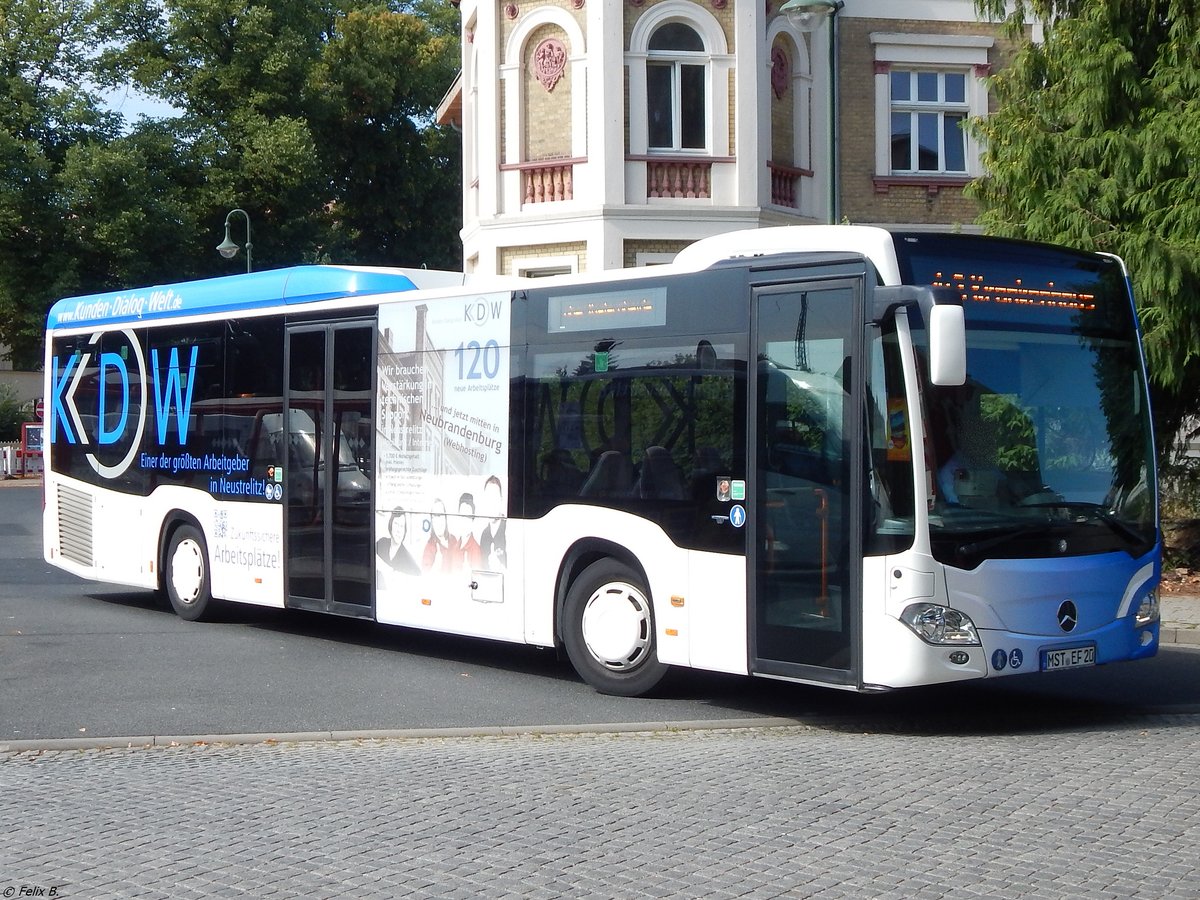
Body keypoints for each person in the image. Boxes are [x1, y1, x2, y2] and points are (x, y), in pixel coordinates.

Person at [377, 506, 420, 576]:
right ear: (391, 524)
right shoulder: (381, 543)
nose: (399, 530)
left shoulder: (409, 561)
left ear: (404, 530)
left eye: (402, 526)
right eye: (396, 524)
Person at [421, 498, 457, 573]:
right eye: (434, 516)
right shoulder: (429, 548)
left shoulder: (453, 540)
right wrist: (435, 567)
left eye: (441, 515)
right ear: (432, 521)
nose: (438, 521)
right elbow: (425, 576)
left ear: (445, 517)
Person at [480, 475, 507, 569]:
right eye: (488, 498)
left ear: (501, 500)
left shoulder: (510, 531)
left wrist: (500, 567)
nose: (491, 503)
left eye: (494, 498)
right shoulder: (484, 535)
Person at [455, 492, 483, 571]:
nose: (464, 521)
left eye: (468, 516)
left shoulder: (475, 550)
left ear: (472, 519)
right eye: (462, 515)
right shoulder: (456, 546)